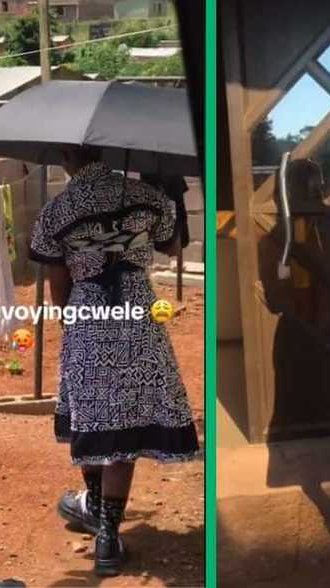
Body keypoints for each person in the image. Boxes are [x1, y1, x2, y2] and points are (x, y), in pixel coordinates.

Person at [28, 148, 201, 577]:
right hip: (139, 309)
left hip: (90, 311)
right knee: (127, 418)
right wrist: (167, 194)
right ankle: (107, 534)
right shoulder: (145, 196)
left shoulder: (57, 210)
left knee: (92, 416)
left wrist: (78, 325)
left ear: (67, 156)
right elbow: (173, 245)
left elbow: (58, 287)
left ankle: (97, 515)